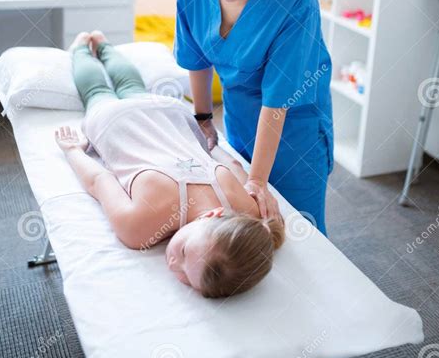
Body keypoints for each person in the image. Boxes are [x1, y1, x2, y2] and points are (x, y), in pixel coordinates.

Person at [55, 30, 285, 298]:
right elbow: (99, 181)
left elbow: (232, 163)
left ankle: (101, 43)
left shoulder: (246, 209)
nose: (175, 264)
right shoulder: (139, 229)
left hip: (169, 114)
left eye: (186, 278)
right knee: (95, 91)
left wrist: (210, 145)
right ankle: (80, 49)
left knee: (132, 86)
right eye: (185, 252)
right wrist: (73, 151)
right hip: (113, 122)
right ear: (211, 216)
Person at [174, 0, 334, 237]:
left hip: (294, 130)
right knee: (248, 227)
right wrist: (203, 119)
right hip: (242, 120)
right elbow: (196, 60)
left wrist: (258, 179)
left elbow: (279, 99)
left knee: (298, 232)